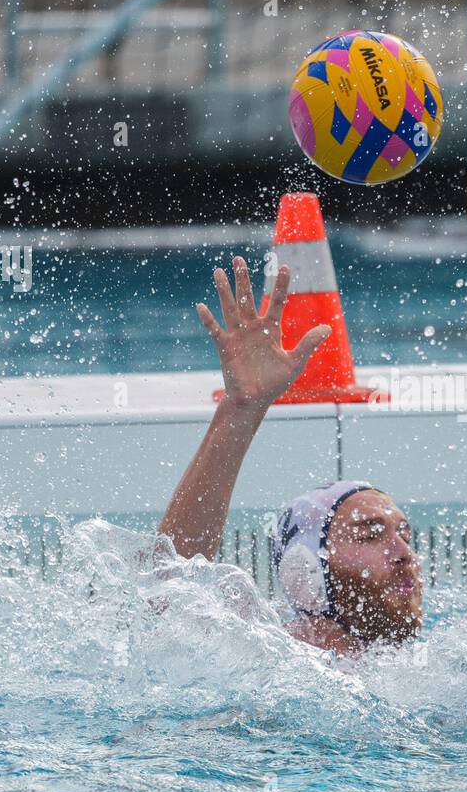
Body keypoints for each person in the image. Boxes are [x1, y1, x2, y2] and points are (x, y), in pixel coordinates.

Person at [157, 256, 422, 656]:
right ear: (307, 570)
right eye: (370, 534)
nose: (404, 554)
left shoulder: (428, 673)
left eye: (404, 534)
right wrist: (241, 409)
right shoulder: (268, 659)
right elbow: (168, 590)